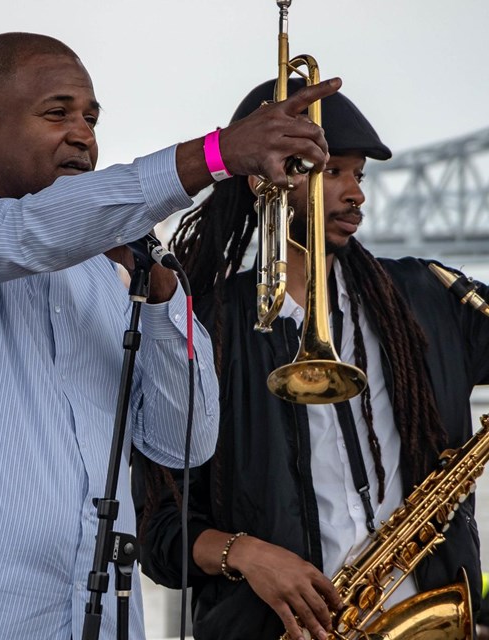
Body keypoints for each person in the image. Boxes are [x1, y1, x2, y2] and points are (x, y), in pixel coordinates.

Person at [0, 32, 340, 640]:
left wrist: (162, 296)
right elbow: (24, 232)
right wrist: (215, 155)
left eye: (91, 117)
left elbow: (183, 443)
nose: (83, 134)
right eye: (58, 113)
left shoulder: (108, 276)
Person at [133, 77, 489, 640]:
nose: (357, 194)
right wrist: (245, 554)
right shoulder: (205, 328)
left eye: (359, 174)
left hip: (433, 620)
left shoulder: (428, 297)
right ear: (265, 179)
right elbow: (159, 530)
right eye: (331, 172)